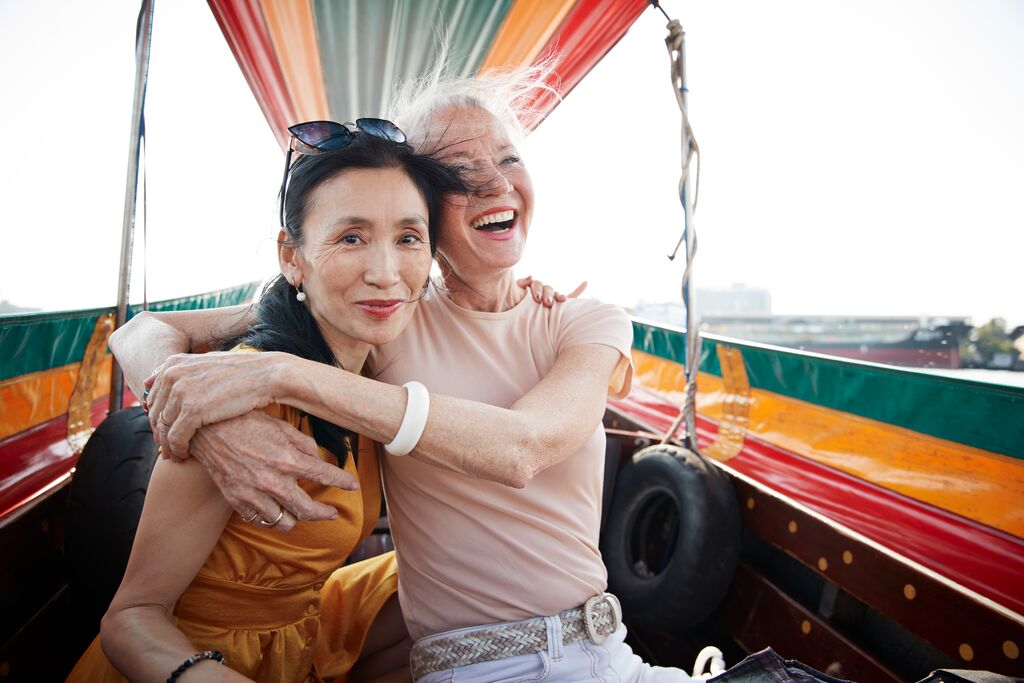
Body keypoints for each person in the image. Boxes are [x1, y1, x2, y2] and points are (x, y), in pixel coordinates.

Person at [116, 68, 708, 682]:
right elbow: (141, 332)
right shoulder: (382, 316)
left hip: (611, 653)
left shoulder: (584, 322)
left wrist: (280, 376)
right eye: (460, 175)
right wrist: (202, 422)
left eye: (508, 159)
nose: (496, 184)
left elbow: (523, 447)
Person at [68, 122, 466, 683]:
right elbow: (132, 617)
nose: (385, 273)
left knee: (465, 574)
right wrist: (193, 417)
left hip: (301, 630)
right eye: (351, 237)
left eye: (407, 238)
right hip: (194, 658)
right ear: (291, 256)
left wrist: (543, 304)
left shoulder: (378, 354)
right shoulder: (236, 399)